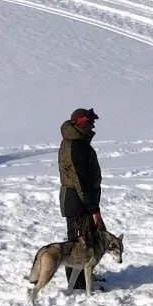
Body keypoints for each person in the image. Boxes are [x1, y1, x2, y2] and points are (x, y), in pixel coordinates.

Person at [58, 107, 103, 290]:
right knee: (78, 242)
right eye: (90, 123)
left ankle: (84, 277)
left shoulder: (75, 141)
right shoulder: (76, 145)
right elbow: (81, 180)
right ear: (81, 124)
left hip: (77, 198)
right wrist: (93, 209)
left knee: (84, 238)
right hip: (77, 200)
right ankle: (77, 283)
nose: (92, 127)